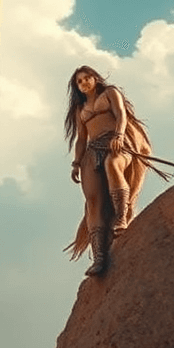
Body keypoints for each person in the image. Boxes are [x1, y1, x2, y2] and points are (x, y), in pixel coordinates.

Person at [65, 66, 152, 276]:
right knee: (93, 202)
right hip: (93, 151)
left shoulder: (110, 93)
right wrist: (76, 163)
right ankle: (99, 258)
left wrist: (119, 136)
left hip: (117, 144)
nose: (84, 82)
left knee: (113, 165)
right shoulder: (80, 109)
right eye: (80, 81)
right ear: (77, 86)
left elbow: (121, 115)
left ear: (95, 78)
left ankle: (122, 217)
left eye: (87, 78)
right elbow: (81, 139)